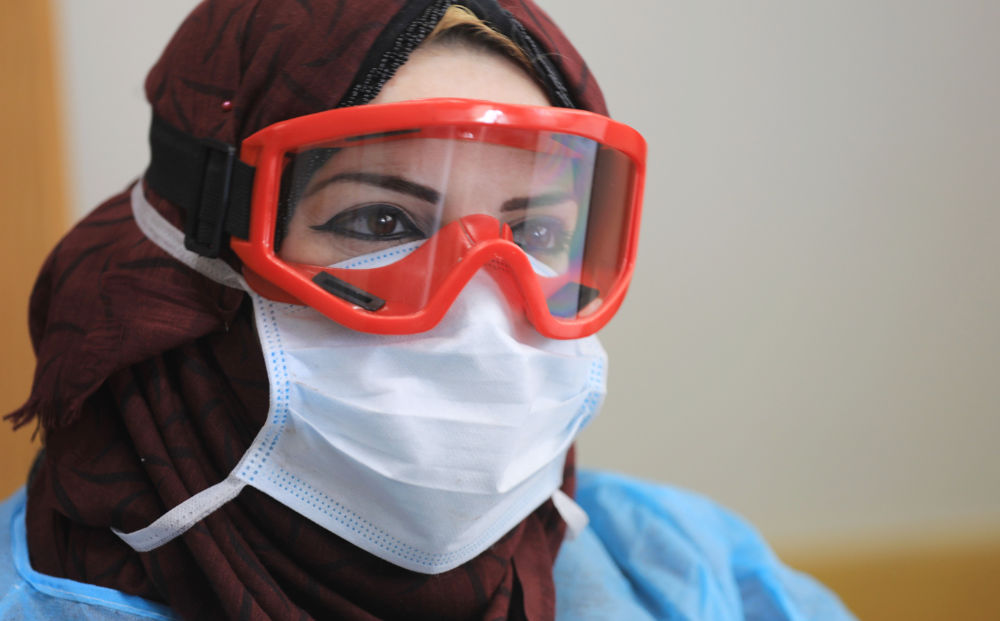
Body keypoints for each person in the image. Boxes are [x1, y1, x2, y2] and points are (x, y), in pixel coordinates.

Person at [0, 1, 857, 619]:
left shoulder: (686, 572)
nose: (480, 310)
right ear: (190, 260)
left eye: (537, 232)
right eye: (381, 221)